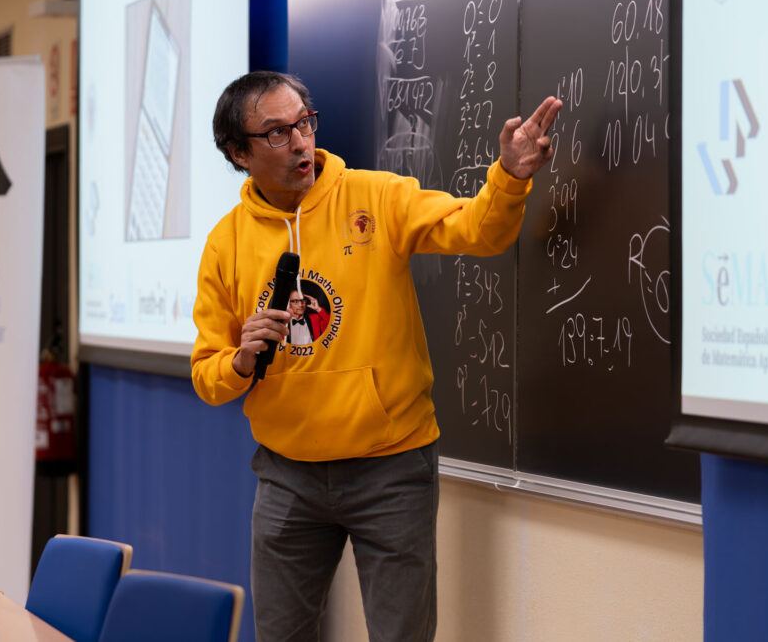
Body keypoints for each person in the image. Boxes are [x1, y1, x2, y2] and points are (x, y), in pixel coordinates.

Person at [191, 70, 560, 641]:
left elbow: (477, 232)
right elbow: (207, 376)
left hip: (391, 467)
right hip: (287, 474)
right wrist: (240, 361)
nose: (300, 143)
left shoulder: (375, 196)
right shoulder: (226, 244)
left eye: (304, 124)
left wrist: (509, 177)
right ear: (239, 154)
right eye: (277, 134)